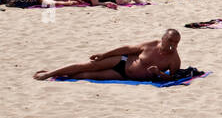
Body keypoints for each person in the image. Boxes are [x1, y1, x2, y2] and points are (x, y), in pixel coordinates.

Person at [34, 29, 183, 82]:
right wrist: (104, 54)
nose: (173, 45)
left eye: (176, 43)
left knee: (87, 75)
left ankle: (63, 76)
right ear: (163, 38)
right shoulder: (152, 44)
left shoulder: (174, 59)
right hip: (122, 62)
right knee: (88, 65)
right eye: (170, 41)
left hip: (124, 76)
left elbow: (172, 78)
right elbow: (127, 48)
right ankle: (50, 73)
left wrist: (159, 73)